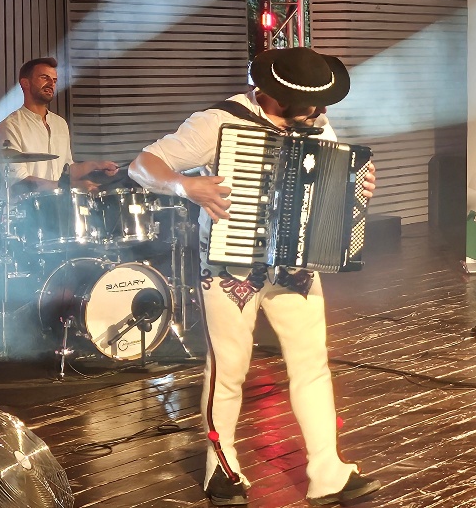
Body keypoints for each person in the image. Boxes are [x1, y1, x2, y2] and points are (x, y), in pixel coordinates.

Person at [128, 47, 380, 507]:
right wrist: (185, 185)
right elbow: (142, 165)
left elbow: (331, 181)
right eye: (309, 103)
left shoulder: (316, 122)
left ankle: (327, 472)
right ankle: (221, 467)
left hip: (296, 265)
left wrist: (356, 187)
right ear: (275, 96)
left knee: (311, 364)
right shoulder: (217, 122)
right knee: (230, 369)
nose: (318, 112)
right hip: (232, 268)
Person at [0, 57, 119, 193]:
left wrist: (95, 165)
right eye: (44, 78)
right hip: (25, 206)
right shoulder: (10, 126)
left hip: (58, 204)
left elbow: (66, 170)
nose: (51, 83)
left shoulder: (60, 123)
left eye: (54, 80)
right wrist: (69, 186)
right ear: (25, 83)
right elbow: (19, 182)